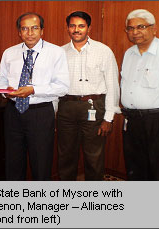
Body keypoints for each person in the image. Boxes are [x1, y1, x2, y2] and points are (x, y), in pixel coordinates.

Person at [0, 12, 70, 181]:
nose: (30, 33)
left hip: (40, 113)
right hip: (13, 112)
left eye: (34, 28)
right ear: (19, 32)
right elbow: (0, 79)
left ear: (42, 30)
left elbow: (62, 87)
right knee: (13, 160)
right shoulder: (9, 53)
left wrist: (33, 90)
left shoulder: (56, 52)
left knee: (41, 162)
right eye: (25, 29)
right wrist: (5, 90)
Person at [57, 11, 120, 181]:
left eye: (81, 26)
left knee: (94, 157)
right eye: (72, 26)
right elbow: (55, 85)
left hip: (94, 107)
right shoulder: (59, 53)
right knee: (65, 157)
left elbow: (113, 85)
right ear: (67, 28)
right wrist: (53, 113)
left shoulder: (103, 51)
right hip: (66, 108)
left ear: (89, 28)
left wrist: (109, 118)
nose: (76, 30)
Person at [121, 9, 159, 181]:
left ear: (154, 28)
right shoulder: (129, 53)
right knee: (135, 167)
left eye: (140, 27)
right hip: (132, 121)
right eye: (130, 28)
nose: (135, 32)